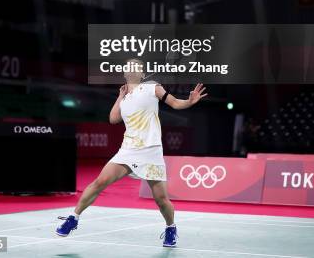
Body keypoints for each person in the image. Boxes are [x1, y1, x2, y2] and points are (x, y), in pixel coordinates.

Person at [56, 58, 208, 248]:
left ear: (142, 74)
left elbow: (176, 103)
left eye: (137, 66)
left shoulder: (153, 87)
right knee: (99, 182)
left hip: (151, 151)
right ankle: (73, 218)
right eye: (128, 65)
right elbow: (113, 119)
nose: (132, 67)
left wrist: (190, 101)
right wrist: (120, 96)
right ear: (125, 72)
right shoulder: (125, 97)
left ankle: (171, 228)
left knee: (161, 199)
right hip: (128, 150)